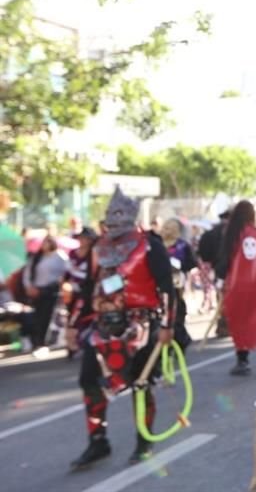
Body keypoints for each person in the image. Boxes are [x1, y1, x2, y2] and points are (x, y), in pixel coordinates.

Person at [70, 187, 176, 470]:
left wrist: (168, 326)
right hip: (102, 326)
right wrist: (73, 323)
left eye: (119, 215)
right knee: (89, 380)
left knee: (140, 384)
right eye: (109, 215)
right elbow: (89, 287)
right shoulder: (98, 247)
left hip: (140, 325)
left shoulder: (150, 244)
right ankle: (98, 441)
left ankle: (144, 440)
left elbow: (167, 288)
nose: (113, 221)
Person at [218, 200, 256, 375]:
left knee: (240, 321)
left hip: (238, 286)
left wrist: (222, 279)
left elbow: (224, 259)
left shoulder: (232, 233)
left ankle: (242, 360)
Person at [19, 234, 68, 354]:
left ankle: (46, 340)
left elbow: (65, 272)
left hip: (51, 291)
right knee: (37, 317)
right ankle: (37, 340)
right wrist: (29, 287)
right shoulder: (37, 257)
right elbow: (27, 273)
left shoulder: (60, 256)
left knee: (48, 316)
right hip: (37, 290)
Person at [160, 218, 197, 350]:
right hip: (160, 284)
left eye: (170, 228)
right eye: (165, 228)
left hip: (177, 284)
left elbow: (192, 262)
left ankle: (180, 339)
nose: (166, 231)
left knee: (177, 310)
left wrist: (180, 265)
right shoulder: (157, 244)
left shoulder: (182, 245)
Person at [65, 227, 99, 359]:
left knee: (84, 318)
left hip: (87, 291)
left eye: (85, 238)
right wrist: (65, 283)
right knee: (71, 319)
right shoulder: (73, 253)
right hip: (72, 292)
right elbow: (67, 272)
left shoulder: (94, 253)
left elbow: (92, 274)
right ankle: (72, 346)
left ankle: (82, 344)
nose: (82, 240)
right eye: (80, 237)